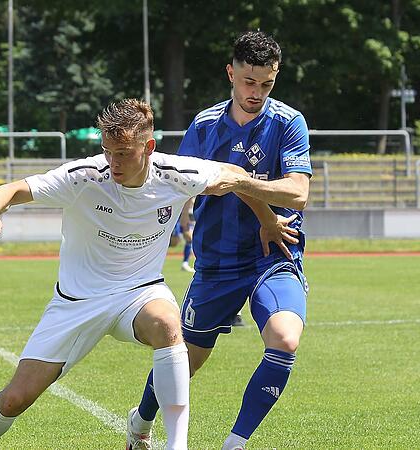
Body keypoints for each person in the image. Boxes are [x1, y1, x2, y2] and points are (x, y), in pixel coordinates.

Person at [0, 99, 286, 450]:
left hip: (139, 292)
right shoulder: (84, 176)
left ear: (148, 148)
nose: (113, 162)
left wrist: (268, 220)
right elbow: (10, 190)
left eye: (123, 153)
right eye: (107, 152)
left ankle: (178, 446)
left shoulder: (177, 174)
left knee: (167, 322)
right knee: (15, 398)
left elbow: (236, 177)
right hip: (76, 303)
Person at [128, 31, 311, 450]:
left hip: (274, 255)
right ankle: (139, 421)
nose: (257, 92)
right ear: (231, 73)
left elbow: (297, 192)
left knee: (284, 340)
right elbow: (194, 185)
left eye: (267, 83)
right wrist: (262, 205)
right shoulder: (206, 125)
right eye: (249, 82)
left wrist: (240, 184)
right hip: (217, 261)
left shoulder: (288, 122)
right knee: (184, 362)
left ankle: (235, 443)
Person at [169, 201, 195, 273]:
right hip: (174, 215)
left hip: (184, 215)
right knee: (174, 243)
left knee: (189, 238)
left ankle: (185, 263)